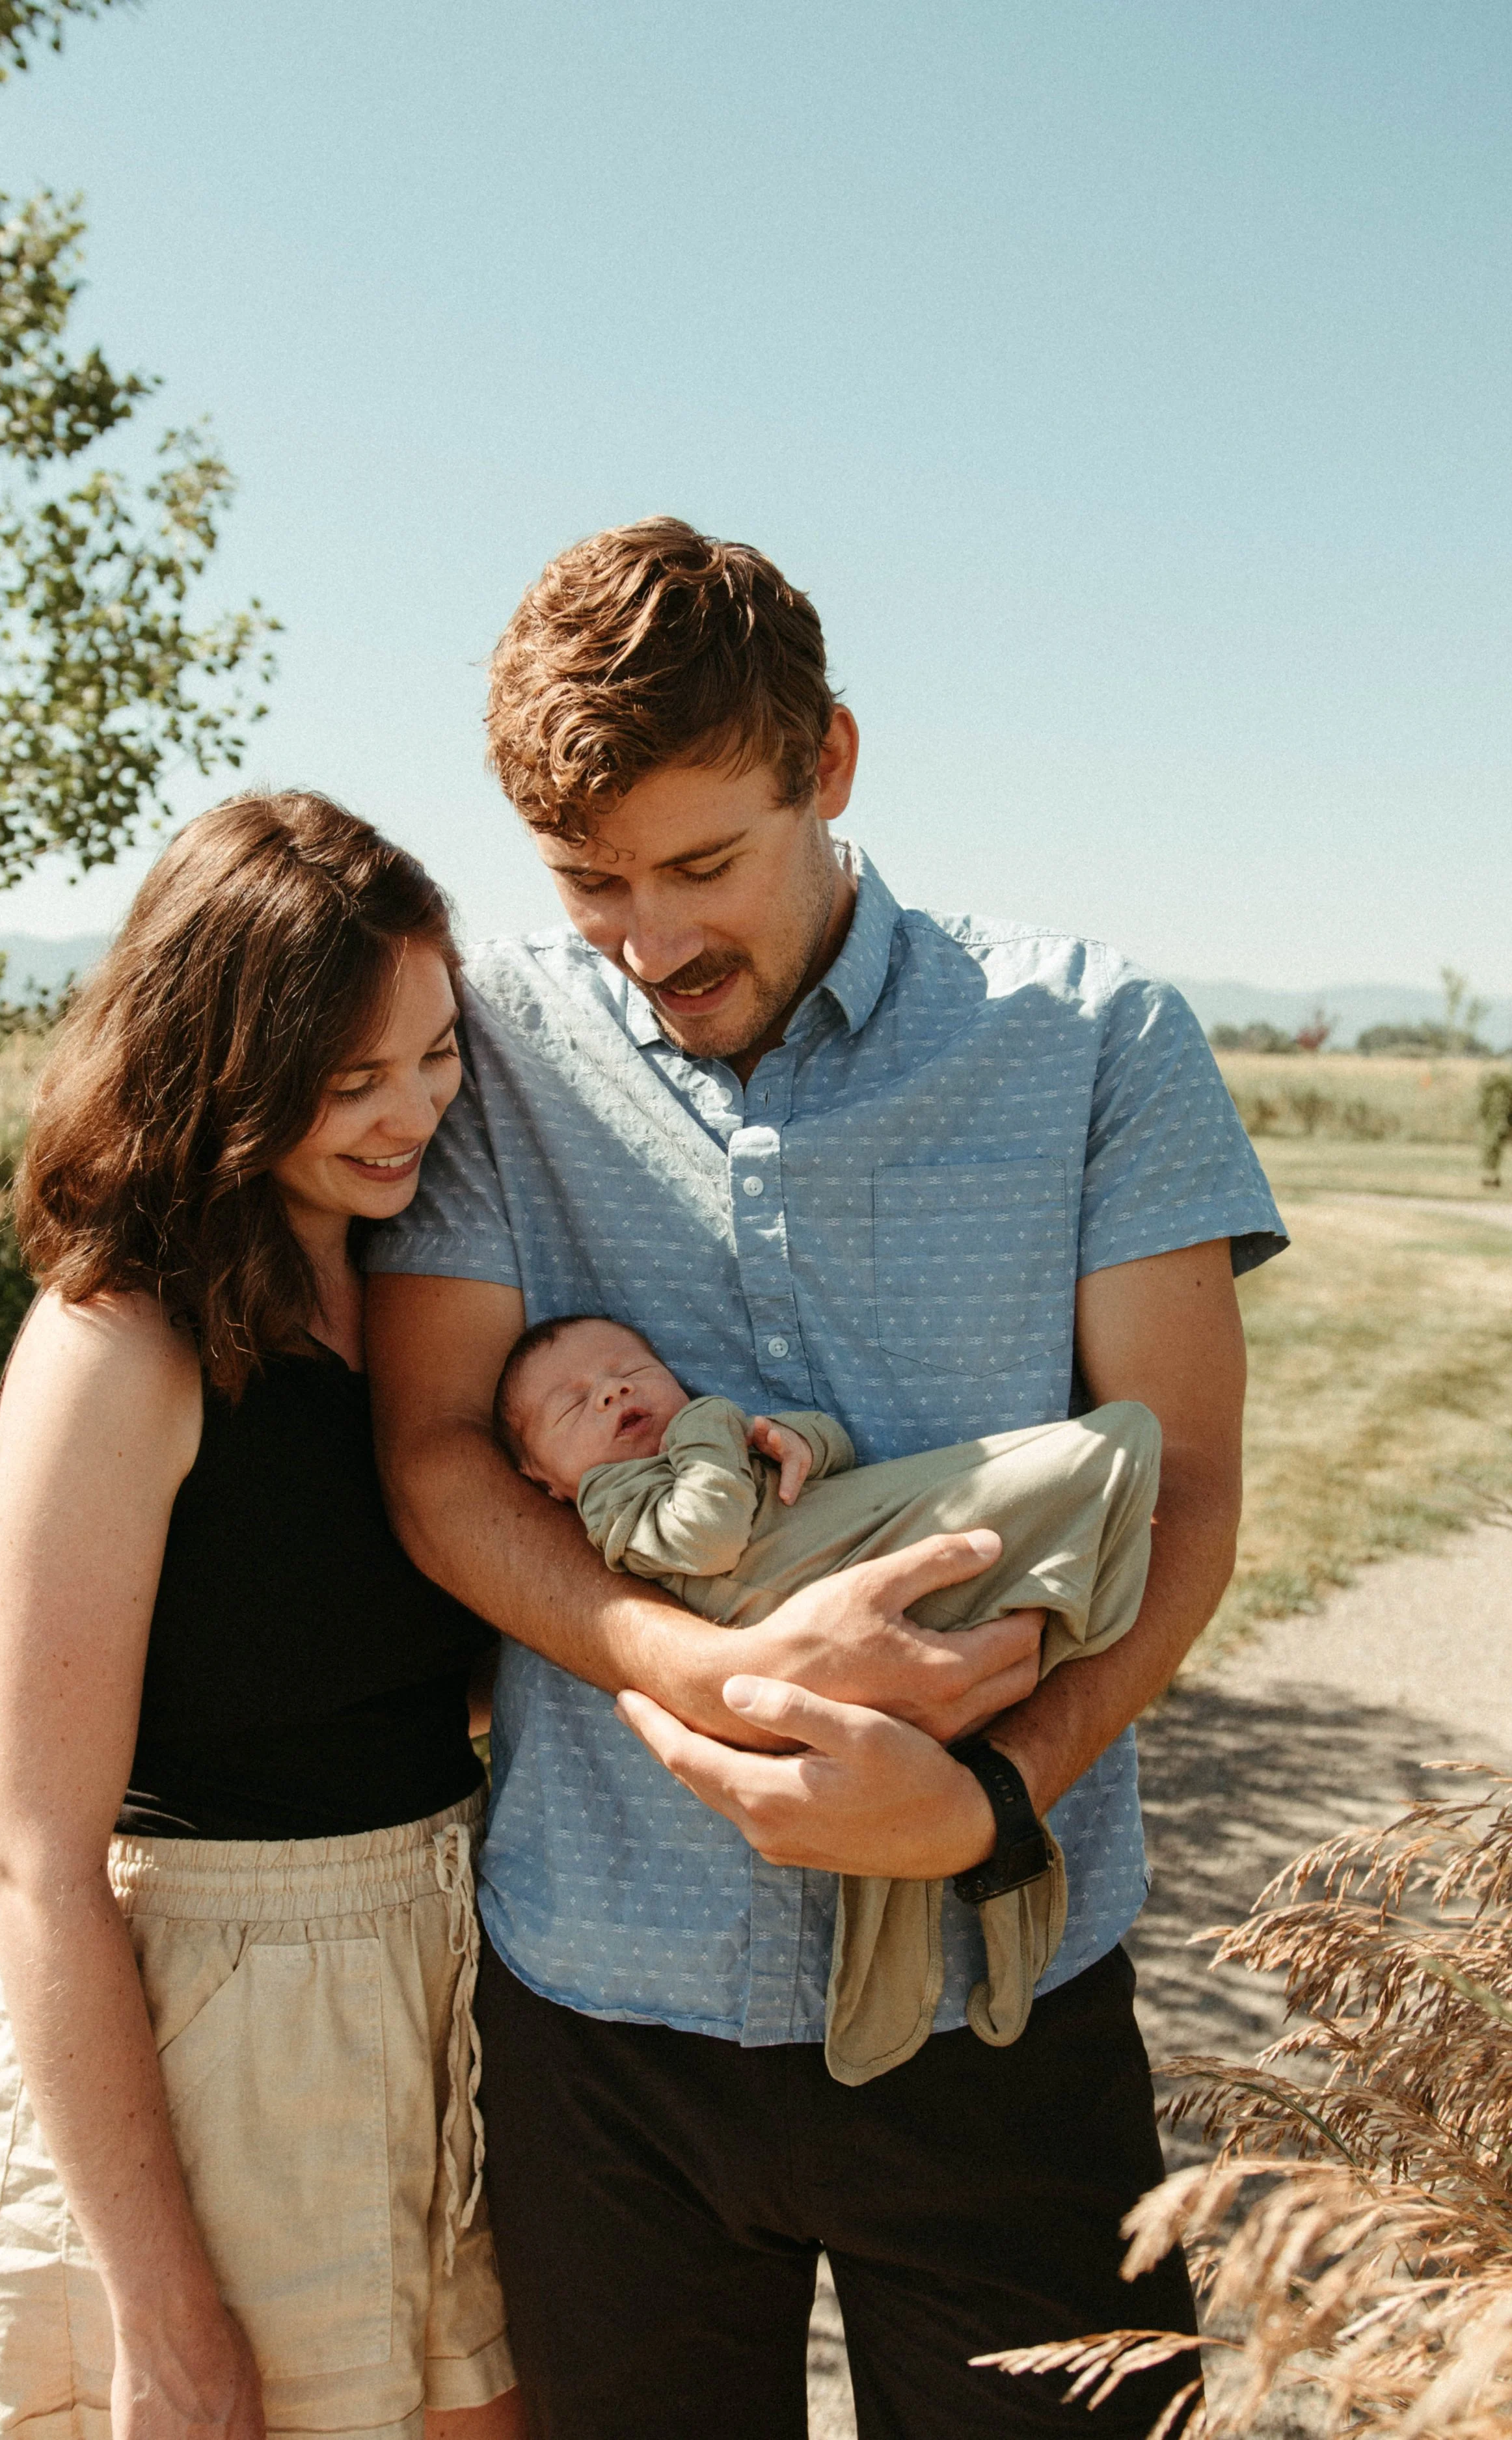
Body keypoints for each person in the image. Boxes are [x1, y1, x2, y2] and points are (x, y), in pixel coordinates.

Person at [365, 517, 1286, 2440]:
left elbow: (1187, 1491)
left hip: (1001, 2010)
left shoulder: (1093, 1037)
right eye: (589, 879)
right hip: (597, 2016)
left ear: (830, 764)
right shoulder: (492, 1048)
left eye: (703, 863)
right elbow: (436, 1456)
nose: (650, 940)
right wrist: (694, 1667)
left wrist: (985, 1799)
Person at [0, 794, 523, 2440]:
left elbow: (396, 1674)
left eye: (437, 1055)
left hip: (435, 1988)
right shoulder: (117, 1344)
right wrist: (166, 2311)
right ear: (226, 1066)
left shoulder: (414, 1294)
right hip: (200, 2035)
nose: (413, 1112)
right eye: (350, 1079)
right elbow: (34, 1857)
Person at [494, 1310, 1161, 2077]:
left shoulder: (712, 1449)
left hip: (859, 1574)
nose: (612, 1393)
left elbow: (827, 1459)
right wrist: (709, 1425)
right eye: (574, 1404)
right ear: (543, 1479)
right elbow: (706, 1535)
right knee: (1115, 1448)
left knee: (1117, 1451)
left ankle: (995, 1967)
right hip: (818, 1614)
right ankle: (931, 1996)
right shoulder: (616, 1497)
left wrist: (799, 1441)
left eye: (630, 1372)